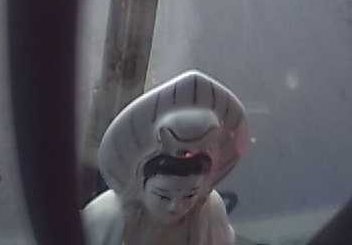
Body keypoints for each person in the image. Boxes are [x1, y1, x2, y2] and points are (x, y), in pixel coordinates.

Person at [82, 70, 247, 245]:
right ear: (141, 185)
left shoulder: (210, 212)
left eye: (189, 196)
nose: (175, 207)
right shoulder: (108, 214)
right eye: (163, 196)